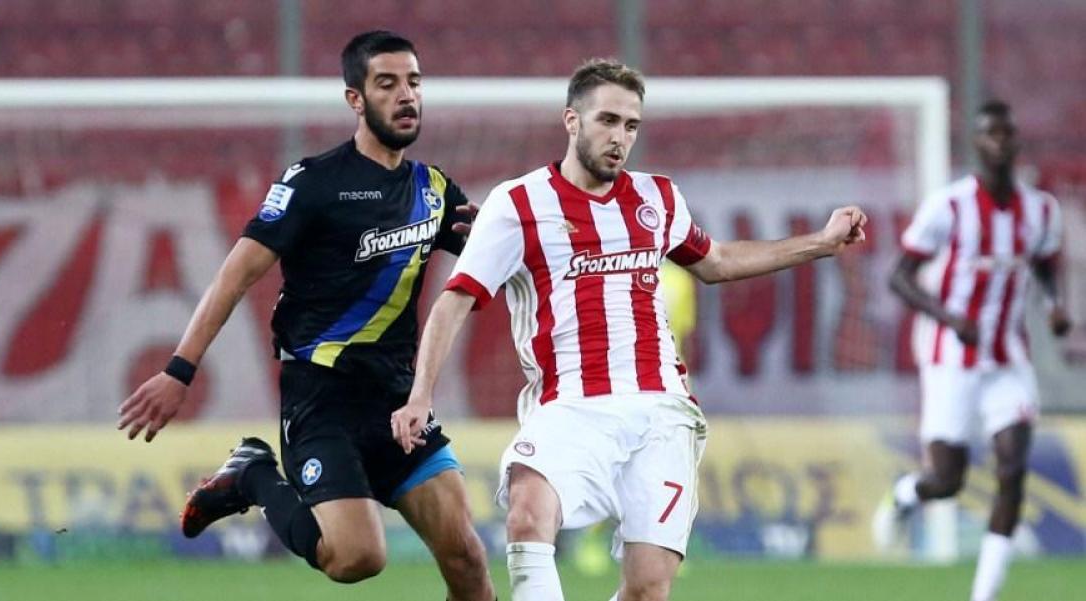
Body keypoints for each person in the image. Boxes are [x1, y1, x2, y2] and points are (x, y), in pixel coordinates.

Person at [390, 58, 867, 601]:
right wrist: (420, 395)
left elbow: (717, 261)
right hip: (570, 405)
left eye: (631, 125)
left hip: (661, 410)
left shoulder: (657, 197)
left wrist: (821, 242)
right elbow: (454, 301)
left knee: (647, 589)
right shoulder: (517, 204)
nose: (620, 138)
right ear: (572, 120)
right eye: (608, 121)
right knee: (527, 512)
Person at [117, 31, 495, 600]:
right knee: (358, 558)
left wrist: (508, 236)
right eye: (387, 84)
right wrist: (179, 370)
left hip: (397, 401)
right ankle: (252, 474)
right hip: (322, 400)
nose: (406, 95)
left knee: (466, 558)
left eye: (414, 82)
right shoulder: (313, 184)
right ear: (355, 99)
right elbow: (234, 277)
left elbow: (490, 256)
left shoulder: (433, 189)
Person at [873, 100, 1070, 601]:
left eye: (1007, 133)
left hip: (1007, 360)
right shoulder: (949, 206)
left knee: (1012, 470)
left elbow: (1046, 265)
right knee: (947, 481)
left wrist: (1054, 305)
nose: (1000, 141)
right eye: (990, 133)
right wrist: (950, 319)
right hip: (950, 361)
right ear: (977, 144)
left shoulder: (1041, 210)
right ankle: (906, 495)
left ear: (1016, 141)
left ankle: (984, 595)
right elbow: (899, 276)